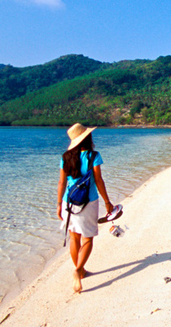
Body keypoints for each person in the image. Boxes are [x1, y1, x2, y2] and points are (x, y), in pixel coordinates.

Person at [56, 123, 114, 293]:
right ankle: (78, 269)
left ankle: (80, 271)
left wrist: (59, 204)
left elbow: (61, 182)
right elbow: (99, 180)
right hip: (88, 201)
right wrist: (107, 202)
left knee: (74, 237)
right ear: (88, 137)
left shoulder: (65, 157)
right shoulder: (93, 156)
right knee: (87, 238)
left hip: (69, 201)